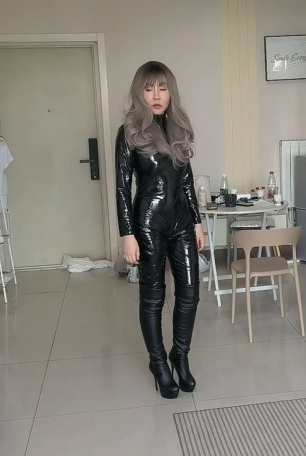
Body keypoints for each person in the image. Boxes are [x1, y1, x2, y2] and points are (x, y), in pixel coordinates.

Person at [115, 61, 204, 399]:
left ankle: (180, 355)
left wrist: (197, 221)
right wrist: (128, 234)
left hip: (181, 222)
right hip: (149, 223)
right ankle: (158, 363)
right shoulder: (129, 132)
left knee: (190, 292)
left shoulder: (178, 128)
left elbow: (187, 181)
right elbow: (122, 187)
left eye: (163, 88)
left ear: (170, 92)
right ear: (139, 92)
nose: (156, 95)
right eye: (149, 88)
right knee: (153, 298)